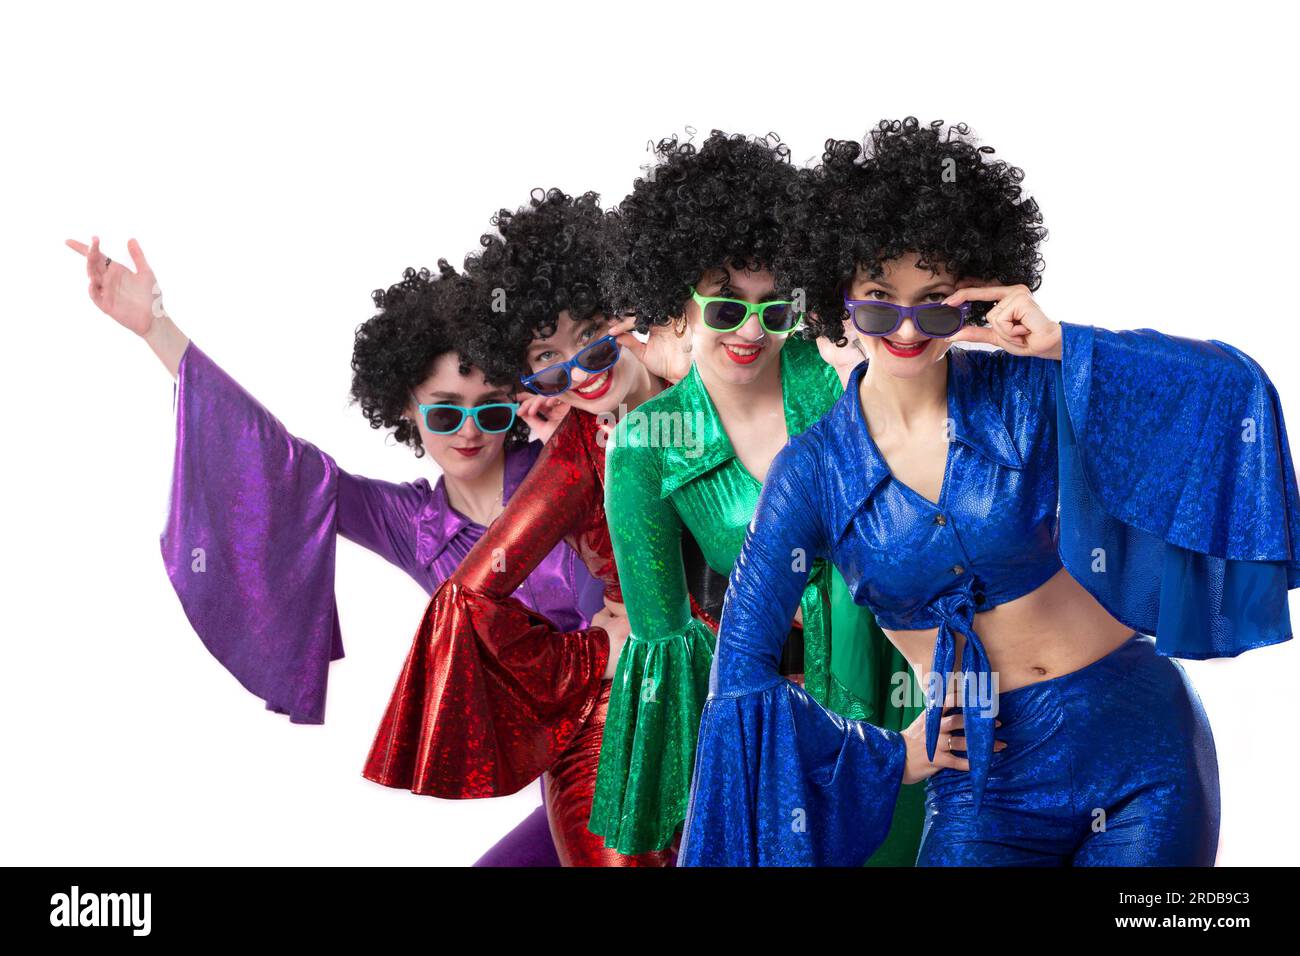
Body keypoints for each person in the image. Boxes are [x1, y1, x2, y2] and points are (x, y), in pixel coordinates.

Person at [680, 118, 1297, 866]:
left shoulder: (1030, 390)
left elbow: (1230, 394)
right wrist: (885, 756)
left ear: (968, 299)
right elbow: (739, 678)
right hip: (982, 777)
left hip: (1140, 745)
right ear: (840, 295)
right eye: (879, 300)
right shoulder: (810, 474)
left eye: (934, 302)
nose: (906, 329)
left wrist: (1062, 343)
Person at [65, 238, 602, 866]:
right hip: (565, 765)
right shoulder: (411, 524)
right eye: (445, 412)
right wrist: (157, 329)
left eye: (490, 409)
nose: (470, 433)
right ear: (407, 405)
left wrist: (580, 415)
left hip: (655, 719)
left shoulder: (569, 459)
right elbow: (283, 465)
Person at [588, 130, 924, 864]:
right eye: (725, 308)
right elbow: (666, 648)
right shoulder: (644, 446)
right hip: (784, 728)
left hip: (904, 684)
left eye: (774, 310)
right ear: (678, 304)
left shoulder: (840, 375)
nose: (750, 331)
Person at [361, 188, 687, 865]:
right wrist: (590, 659)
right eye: (547, 353)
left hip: (751, 694)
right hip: (620, 721)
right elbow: (468, 599)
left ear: (628, 312)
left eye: (592, 335)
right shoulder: (573, 456)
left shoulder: (720, 395)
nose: (580, 367)